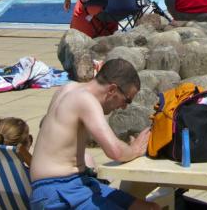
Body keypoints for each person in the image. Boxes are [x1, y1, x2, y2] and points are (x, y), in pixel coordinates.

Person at [29, 58, 157, 210]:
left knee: (150, 208)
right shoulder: (85, 100)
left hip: (73, 184)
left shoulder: (68, 88)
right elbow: (114, 151)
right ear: (112, 90)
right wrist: (134, 149)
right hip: (59, 192)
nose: (123, 107)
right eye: (126, 100)